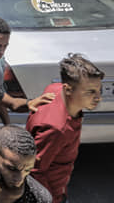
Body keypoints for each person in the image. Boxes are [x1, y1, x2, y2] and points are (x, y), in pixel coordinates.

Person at [26, 53, 104, 202]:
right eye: (90, 92)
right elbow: (35, 171)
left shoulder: (55, 89)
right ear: (68, 89)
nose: (98, 97)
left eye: (99, 90)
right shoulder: (56, 129)